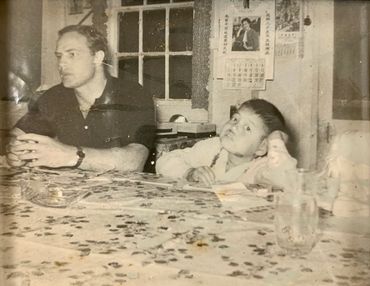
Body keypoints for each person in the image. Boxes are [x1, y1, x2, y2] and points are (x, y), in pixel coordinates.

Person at [6, 25, 155, 172]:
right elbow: (17, 135)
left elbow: (135, 161)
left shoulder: (133, 94)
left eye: (72, 54)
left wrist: (70, 155)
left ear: (97, 57)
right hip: (73, 191)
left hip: (127, 192)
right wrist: (15, 150)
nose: (61, 64)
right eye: (59, 56)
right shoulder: (54, 96)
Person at [156, 99, 297, 187]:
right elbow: (164, 161)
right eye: (235, 119)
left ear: (261, 147)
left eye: (247, 128)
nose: (234, 126)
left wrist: (276, 139)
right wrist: (189, 172)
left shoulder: (260, 168)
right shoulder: (214, 148)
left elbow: (285, 178)